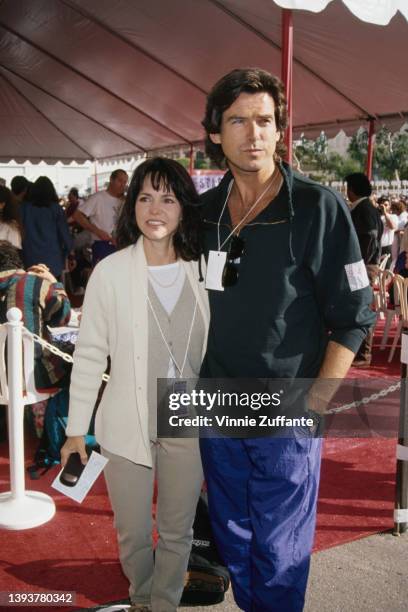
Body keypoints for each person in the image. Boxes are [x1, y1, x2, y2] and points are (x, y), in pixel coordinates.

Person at [199, 68, 375, 612]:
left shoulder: (320, 209)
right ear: (213, 133)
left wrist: (316, 402)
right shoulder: (202, 215)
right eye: (238, 121)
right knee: (232, 535)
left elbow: (355, 315)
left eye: (265, 121)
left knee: (279, 551)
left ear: (280, 131)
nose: (253, 133)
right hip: (216, 405)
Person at [61, 158, 209, 612]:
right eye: (145, 197)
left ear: (184, 206)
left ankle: (161, 604)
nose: (156, 208)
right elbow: (89, 355)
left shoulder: (204, 270)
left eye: (168, 198)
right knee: (132, 531)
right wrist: (74, 432)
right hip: (125, 419)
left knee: (178, 529)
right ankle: (141, 596)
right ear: (132, 206)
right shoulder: (110, 271)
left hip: (187, 419)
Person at [0, 241, 71, 390]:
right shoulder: (32, 284)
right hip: (33, 376)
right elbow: (63, 316)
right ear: (18, 261)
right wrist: (53, 281)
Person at [345, 173, 383, 366]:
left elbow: (369, 236)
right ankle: (359, 352)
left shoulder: (364, 209)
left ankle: (363, 354)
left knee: (361, 308)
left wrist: (357, 261)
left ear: (351, 189)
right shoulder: (368, 208)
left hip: (361, 267)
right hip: (363, 265)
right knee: (358, 307)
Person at [20, 176, 73, 279]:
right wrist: (70, 253)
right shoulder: (56, 209)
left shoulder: (24, 208)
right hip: (53, 259)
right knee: (52, 291)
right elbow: (64, 234)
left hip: (30, 258)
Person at [73, 169, 128, 266]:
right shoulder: (98, 197)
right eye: (120, 181)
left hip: (121, 246)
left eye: (125, 182)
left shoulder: (125, 200)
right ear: (111, 180)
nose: (123, 185)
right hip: (102, 245)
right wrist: (97, 231)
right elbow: (77, 215)